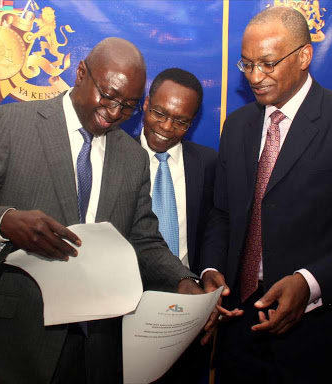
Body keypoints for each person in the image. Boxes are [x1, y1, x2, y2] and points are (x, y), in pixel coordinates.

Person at [0, 37, 204, 384]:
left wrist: (183, 279)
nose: (115, 112)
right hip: (3, 345)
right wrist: (5, 223)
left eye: (128, 106)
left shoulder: (132, 158)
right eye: (109, 96)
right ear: (80, 73)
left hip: (91, 353)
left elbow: (143, 239)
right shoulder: (10, 125)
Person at [200, 7, 332, 384]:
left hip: (316, 335)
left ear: (304, 56)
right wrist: (212, 269)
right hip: (238, 326)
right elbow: (221, 213)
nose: (255, 77)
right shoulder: (238, 126)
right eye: (246, 65)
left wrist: (309, 282)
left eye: (267, 63)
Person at [136, 68, 217, 383]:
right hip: (127, 310)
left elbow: (213, 228)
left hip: (188, 310)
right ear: (145, 104)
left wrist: (209, 275)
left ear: (193, 122)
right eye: (159, 113)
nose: (167, 128)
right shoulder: (115, 157)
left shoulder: (208, 163)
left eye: (181, 121)